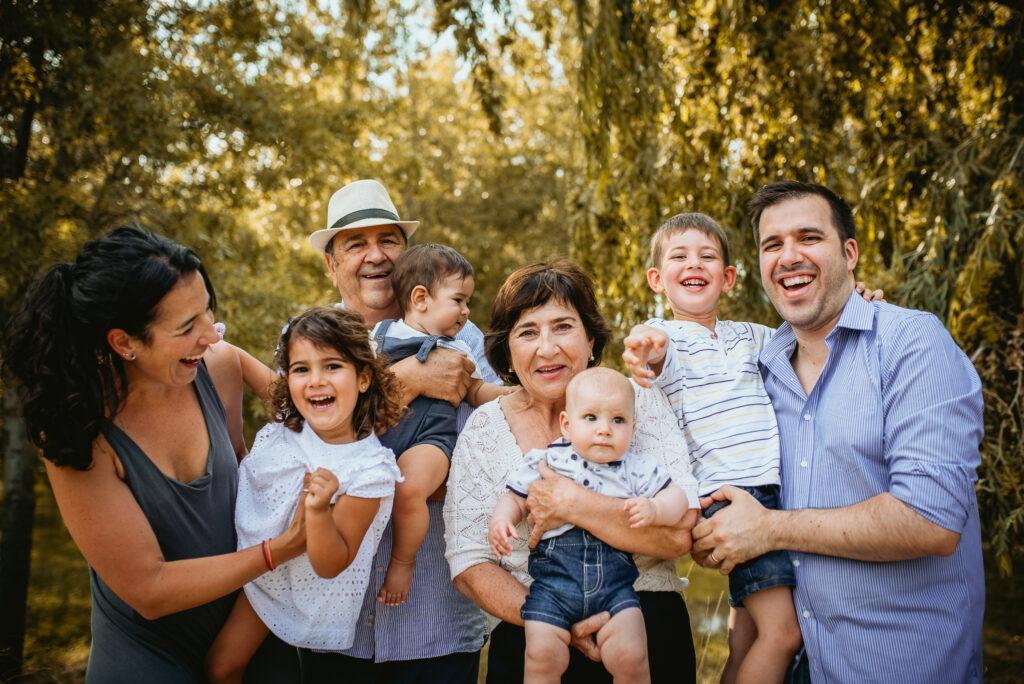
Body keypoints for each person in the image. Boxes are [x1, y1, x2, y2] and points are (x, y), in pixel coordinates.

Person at [691, 181, 985, 683]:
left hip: (897, 667)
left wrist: (768, 528)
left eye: (809, 238)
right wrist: (718, 534)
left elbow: (931, 519)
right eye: (772, 245)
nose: (789, 257)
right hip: (794, 664)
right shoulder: (758, 370)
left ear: (849, 253)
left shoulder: (912, 344)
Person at [1, 226, 305, 682]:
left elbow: (328, 412)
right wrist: (281, 549)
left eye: (208, 311)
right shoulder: (76, 431)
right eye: (187, 327)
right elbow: (149, 589)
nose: (210, 335)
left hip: (248, 634)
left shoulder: (220, 366)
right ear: (124, 343)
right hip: (148, 656)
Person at [444, 260, 702, 684]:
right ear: (507, 350)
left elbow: (679, 534)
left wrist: (574, 504)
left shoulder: (638, 402)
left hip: (644, 627)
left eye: (563, 326)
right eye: (528, 332)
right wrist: (552, 620)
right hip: (534, 637)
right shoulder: (486, 426)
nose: (547, 348)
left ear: (590, 338)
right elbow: (469, 561)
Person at [301, 179, 494, 681]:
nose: (375, 256)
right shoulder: (304, 338)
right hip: (333, 616)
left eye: (388, 240)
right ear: (331, 263)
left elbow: (492, 456)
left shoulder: (464, 335)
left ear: (407, 257)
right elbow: (302, 455)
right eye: (355, 244)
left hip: (437, 618)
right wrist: (405, 380)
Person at [621, 213, 801, 684]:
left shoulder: (755, 336)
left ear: (728, 278)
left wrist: (860, 301)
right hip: (731, 496)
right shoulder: (668, 337)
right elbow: (653, 348)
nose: (693, 263)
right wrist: (646, 347)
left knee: (746, 635)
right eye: (679, 257)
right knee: (783, 633)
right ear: (658, 280)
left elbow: (810, 339)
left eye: (707, 256)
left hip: (767, 492)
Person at [204, 307, 405, 683]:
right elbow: (238, 361)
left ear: (363, 378)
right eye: (301, 369)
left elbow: (332, 564)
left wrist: (317, 511)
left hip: (289, 583)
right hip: (241, 552)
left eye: (332, 366)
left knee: (222, 666)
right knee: (219, 665)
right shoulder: (290, 424)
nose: (315, 380)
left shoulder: (368, 472)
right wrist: (205, 337)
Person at [489, 367, 690, 684]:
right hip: (553, 587)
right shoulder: (547, 460)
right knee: (541, 656)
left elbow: (677, 498)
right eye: (591, 418)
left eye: (618, 420)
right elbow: (515, 497)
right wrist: (502, 520)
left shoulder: (634, 468)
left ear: (633, 428)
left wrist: (655, 508)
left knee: (632, 655)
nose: (605, 430)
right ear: (567, 425)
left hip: (615, 588)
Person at [370, 243, 507, 606]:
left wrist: (514, 396)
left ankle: (402, 561)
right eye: (459, 300)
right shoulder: (380, 336)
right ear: (421, 298)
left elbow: (476, 390)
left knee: (409, 487)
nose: (465, 311)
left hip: (430, 441)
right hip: (378, 442)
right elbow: (359, 388)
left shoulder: (461, 347)